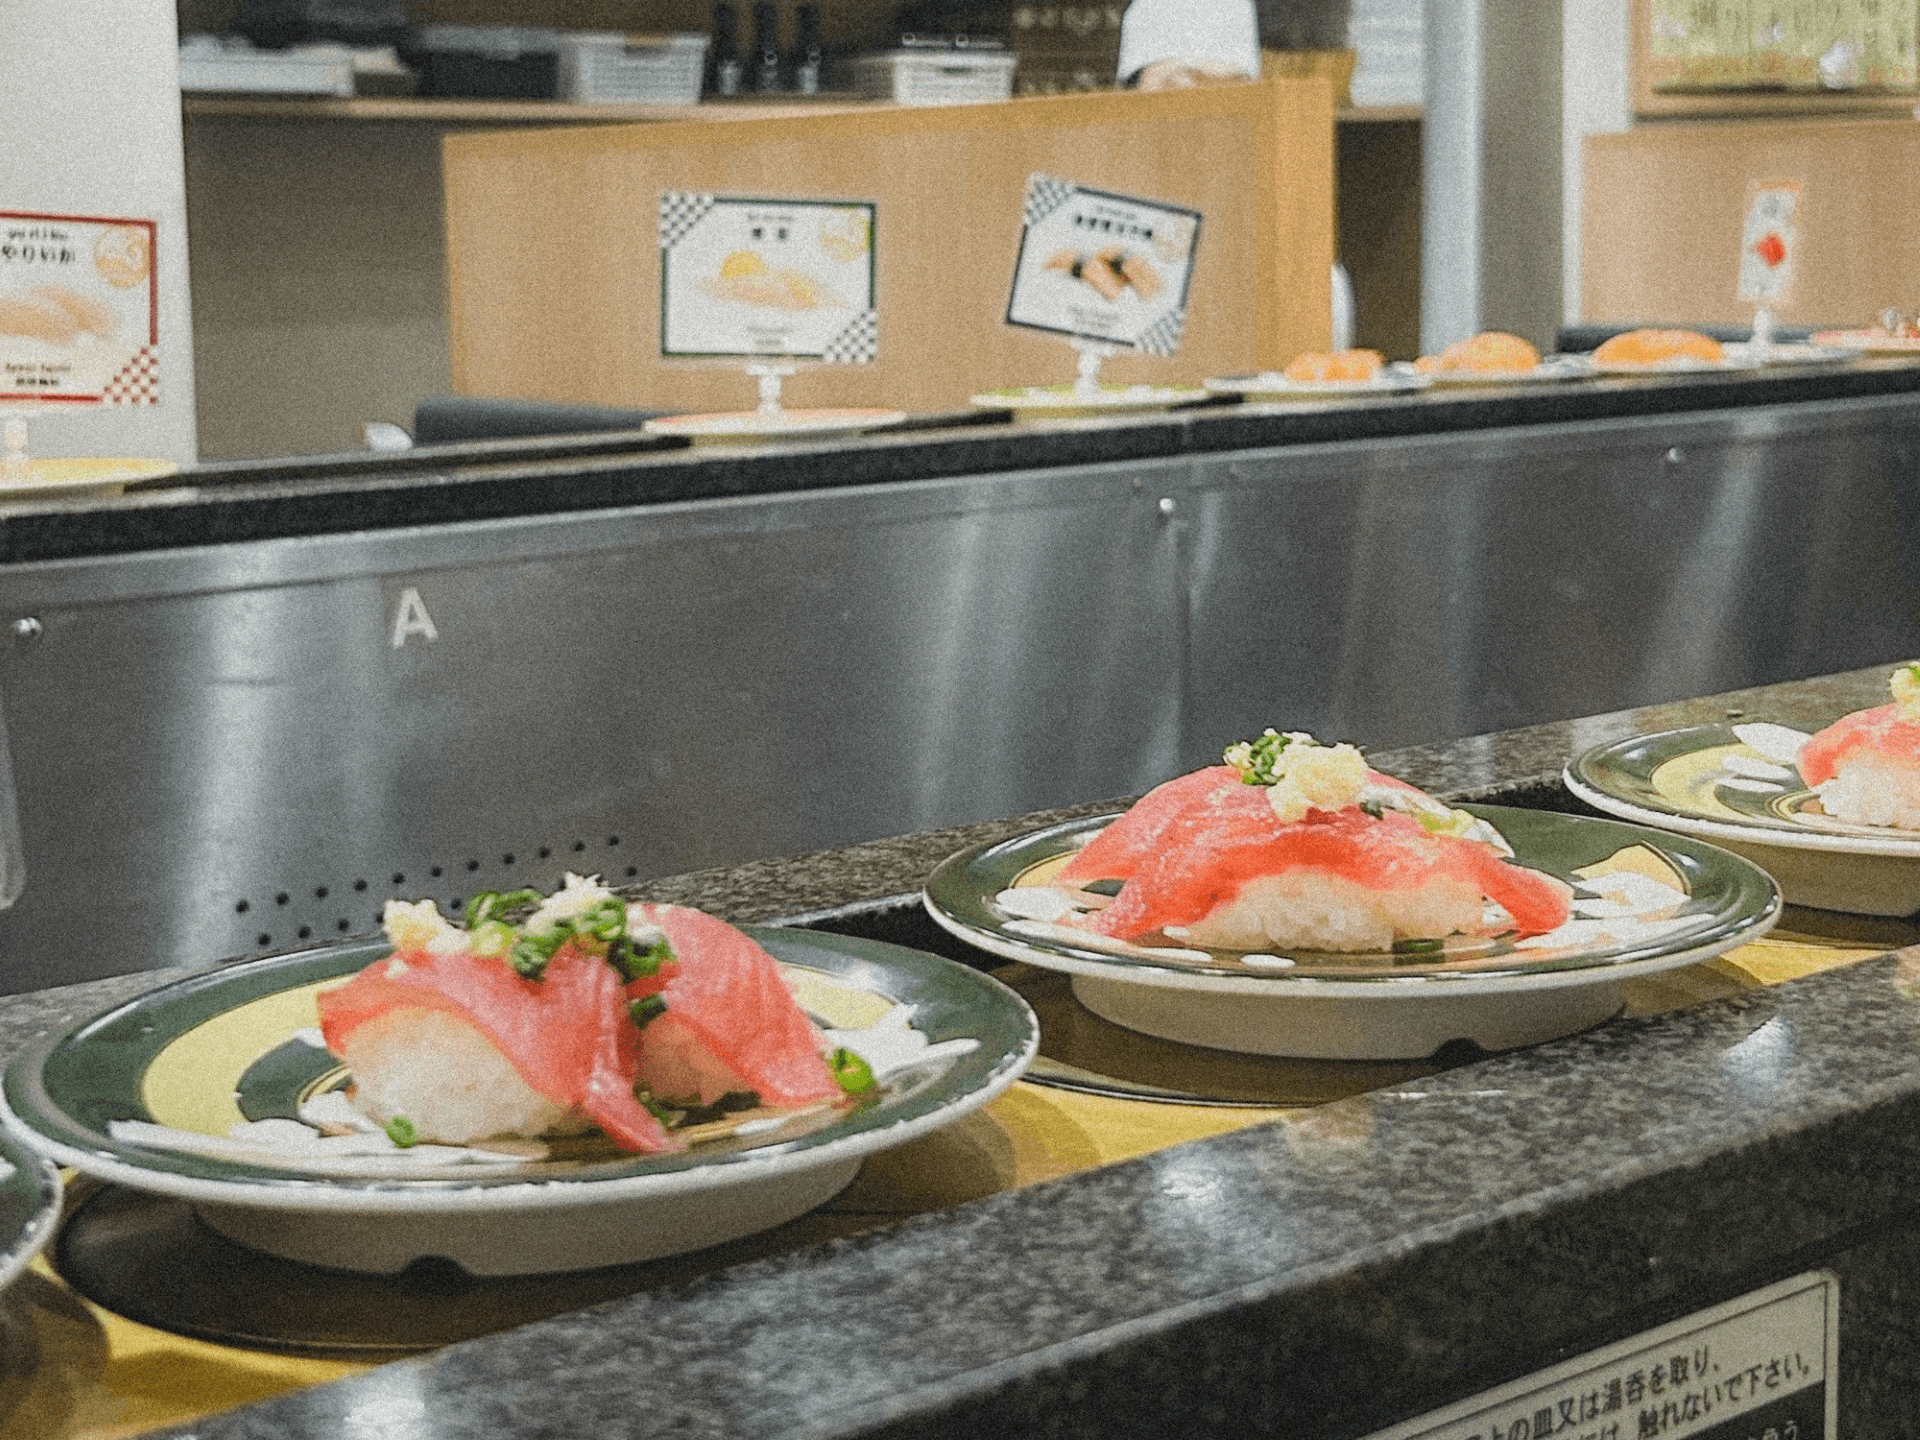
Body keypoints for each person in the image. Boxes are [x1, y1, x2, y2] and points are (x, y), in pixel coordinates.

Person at [1116, 0, 1261, 90]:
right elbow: (1141, 81)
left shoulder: (1237, 4)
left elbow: (1242, 79)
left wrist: (1195, 76)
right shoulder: (1144, 6)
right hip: (1158, 120)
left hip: (1224, 117)